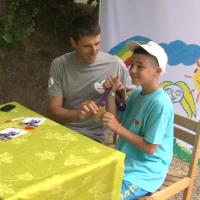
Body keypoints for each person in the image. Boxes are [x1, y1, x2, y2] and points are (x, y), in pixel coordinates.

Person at [102, 41, 174, 199]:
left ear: (157, 71)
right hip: (124, 162)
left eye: (140, 66)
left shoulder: (160, 104)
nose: (132, 70)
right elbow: (117, 119)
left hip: (145, 173)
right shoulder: (136, 93)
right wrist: (112, 93)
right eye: (132, 64)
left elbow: (150, 148)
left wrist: (118, 129)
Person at [47, 14, 133, 144]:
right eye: (87, 46)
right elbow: (53, 111)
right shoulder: (60, 64)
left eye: (97, 43)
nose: (94, 51)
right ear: (73, 43)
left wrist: (119, 93)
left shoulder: (115, 64)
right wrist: (77, 114)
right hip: (62, 132)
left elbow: (133, 102)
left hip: (95, 138)